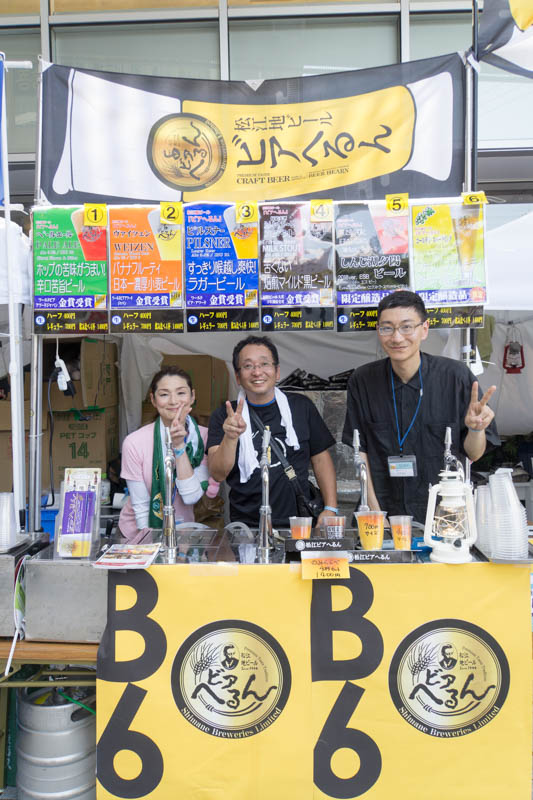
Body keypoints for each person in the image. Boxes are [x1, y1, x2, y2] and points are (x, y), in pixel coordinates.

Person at [342, 291, 499, 524]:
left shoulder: (455, 377)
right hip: (381, 511)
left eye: (407, 327)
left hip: (444, 514)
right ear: (378, 330)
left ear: (424, 329)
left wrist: (476, 430)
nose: (397, 337)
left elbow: (474, 454)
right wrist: (375, 513)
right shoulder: (363, 380)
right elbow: (360, 450)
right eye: (387, 328)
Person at [207, 335, 338, 529]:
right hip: (247, 525)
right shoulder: (225, 415)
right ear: (238, 376)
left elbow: (320, 459)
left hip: (299, 522)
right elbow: (218, 474)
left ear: (277, 372)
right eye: (248, 366)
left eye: (264, 364)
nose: (257, 372)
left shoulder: (301, 407)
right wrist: (231, 437)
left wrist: (331, 508)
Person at [119, 366, 219, 542]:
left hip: (183, 532)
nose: (173, 401)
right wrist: (150, 545)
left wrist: (179, 447)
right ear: (153, 399)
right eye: (164, 394)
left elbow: (191, 496)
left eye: (181, 393)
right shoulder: (134, 442)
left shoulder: (204, 437)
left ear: (192, 396)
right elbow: (141, 508)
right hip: (138, 534)